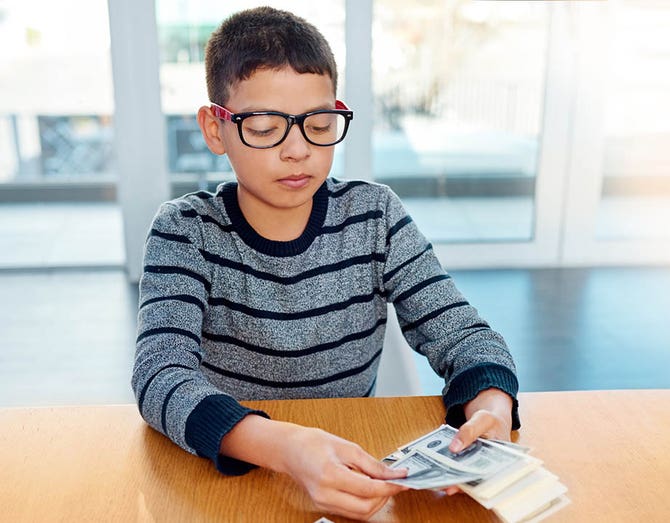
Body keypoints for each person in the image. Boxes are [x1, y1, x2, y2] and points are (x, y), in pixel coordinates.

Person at [131, 6, 520, 521]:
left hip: (348, 466)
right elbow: (159, 375)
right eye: (266, 127)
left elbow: (464, 334)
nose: (299, 151)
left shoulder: (374, 216)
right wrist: (286, 447)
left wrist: (492, 407)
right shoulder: (185, 231)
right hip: (233, 475)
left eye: (319, 124)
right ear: (214, 128)